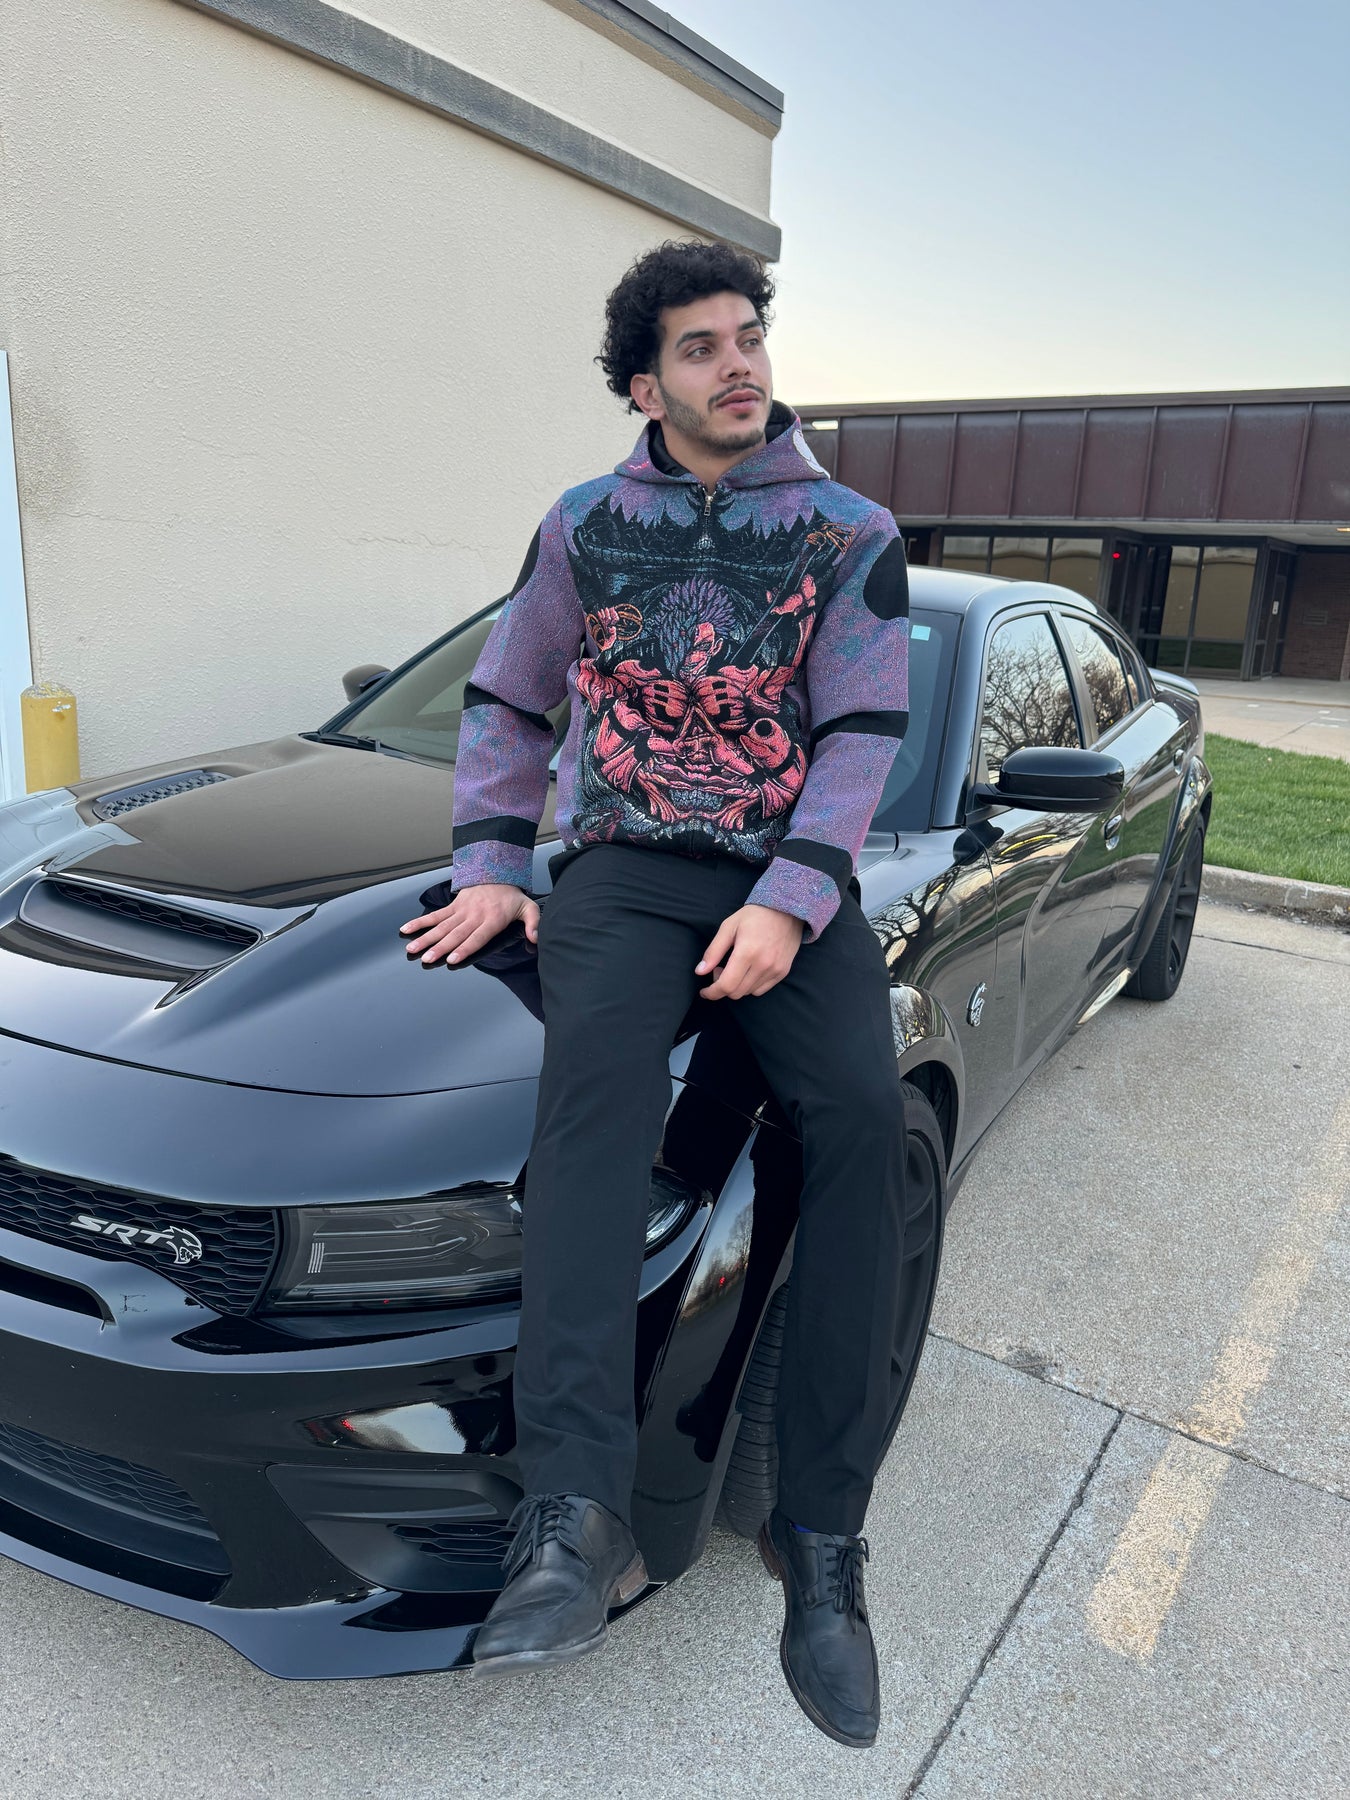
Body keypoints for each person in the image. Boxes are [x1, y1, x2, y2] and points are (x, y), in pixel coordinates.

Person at [401, 240, 910, 1748]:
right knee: (590, 1112)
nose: (737, 364)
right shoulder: (581, 527)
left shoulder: (849, 531)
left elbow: (863, 730)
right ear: (645, 387)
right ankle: (574, 1515)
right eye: (700, 347)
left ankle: (819, 1533)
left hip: (784, 871)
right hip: (623, 869)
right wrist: (494, 863)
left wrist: (790, 901)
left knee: (862, 1122)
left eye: (748, 337)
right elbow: (509, 695)